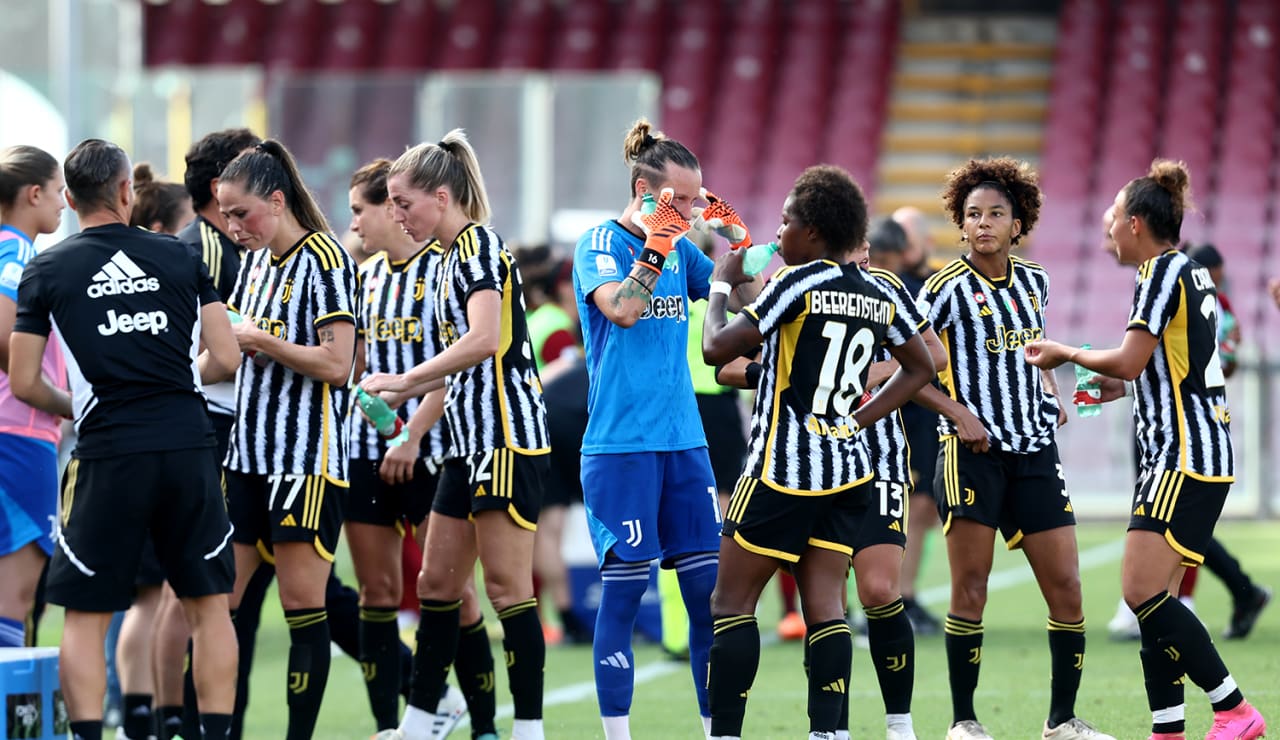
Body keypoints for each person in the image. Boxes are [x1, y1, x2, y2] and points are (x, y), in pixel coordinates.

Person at [1026, 159, 1268, 740]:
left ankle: (1234, 709)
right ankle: (1167, 730)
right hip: (1198, 451)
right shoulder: (1188, 273)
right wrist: (1109, 386)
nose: (1106, 225)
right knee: (1153, 597)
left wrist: (1067, 352)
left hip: (1182, 455)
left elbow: (1131, 358)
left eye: (1113, 214)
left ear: (1135, 223)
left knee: (1140, 593)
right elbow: (1160, 368)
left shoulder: (1161, 272)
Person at [9, 137, 241, 740]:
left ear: (73, 197)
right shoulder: (178, 255)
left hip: (108, 451)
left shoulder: (47, 268)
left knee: (85, 616)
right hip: (187, 446)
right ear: (123, 192)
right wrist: (173, 381)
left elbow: (27, 379)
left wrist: (78, 408)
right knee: (208, 605)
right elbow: (227, 356)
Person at [701, 165, 935, 740]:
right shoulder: (881, 290)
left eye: (786, 221)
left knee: (730, 604)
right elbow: (923, 366)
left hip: (780, 469)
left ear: (813, 233)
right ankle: (829, 732)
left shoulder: (795, 283)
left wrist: (719, 285)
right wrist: (861, 417)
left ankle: (724, 733)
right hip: (848, 468)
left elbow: (714, 349)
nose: (778, 232)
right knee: (826, 606)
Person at [571, 118, 758, 739]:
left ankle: (717, 733)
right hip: (621, 446)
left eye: (695, 199)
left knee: (710, 599)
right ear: (642, 189)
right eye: (677, 199)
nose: (687, 211)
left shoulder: (683, 250)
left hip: (686, 444)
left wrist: (740, 241)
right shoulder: (598, 242)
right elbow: (622, 310)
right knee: (624, 593)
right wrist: (658, 243)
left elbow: (745, 298)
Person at [913, 158, 1112, 740]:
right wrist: (956, 412)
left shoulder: (1036, 282)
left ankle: (1062, 720)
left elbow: (1032, 355)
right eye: (972, 214)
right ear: (960, 222)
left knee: (1068, 587)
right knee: (970, 588)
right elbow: (909, 371)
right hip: (970, 456)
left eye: (995, 214)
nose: (982, 224)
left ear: (1017, 222)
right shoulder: (942, 289)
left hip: (1035, 452)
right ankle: (964, 722)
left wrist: (1051, 392)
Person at [361, 129, 548, 740]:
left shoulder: (477, 249)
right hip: (466, 443)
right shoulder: (446, 259)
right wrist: (411, 400)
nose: (397, 215)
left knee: (504, 587)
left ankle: (528, 726)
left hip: (505, 437)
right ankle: (420, 721)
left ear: (441, 197)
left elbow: (485, 340)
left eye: (403, 202)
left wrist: (407, 378)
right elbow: (460, 357)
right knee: (436, 582)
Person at [218, 139, 360, 740]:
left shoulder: (326, 258)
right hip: (246, 454)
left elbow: (337, 365)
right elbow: (229, 352)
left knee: (304, 606)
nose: (232, 226)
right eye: (224, 215)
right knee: (218, 603)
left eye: (240, 213)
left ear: (276, 201)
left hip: (304, 457)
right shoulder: (252, 263)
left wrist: (260, 339)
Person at [345, 157, 486, 737]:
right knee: (376, 592)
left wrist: (411, 434)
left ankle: (484, 723)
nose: (354, 224)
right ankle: (390, 724)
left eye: (362, 210)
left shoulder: (444, 267)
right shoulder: (365, 276)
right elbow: (360, 364)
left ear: (392, 207)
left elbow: (459, 366)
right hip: (364, 450)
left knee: (455, 592)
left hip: (429, 450)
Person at [110, 162, 198, 740]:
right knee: (174, 596)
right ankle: (159, 714)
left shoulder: (106, 280)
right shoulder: (171, 275)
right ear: (165, 226)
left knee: (142, 598)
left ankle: (135, 715)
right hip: (167, 444)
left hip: (114, 450)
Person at [0, 144, 66, 649]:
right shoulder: (16, 252)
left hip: (16, 433)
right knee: (13, 599)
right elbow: (5, 337)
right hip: (17, 435)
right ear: (34, 192)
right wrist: (66, 401)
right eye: (58, 189)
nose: (65, 201)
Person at [890, 207, 945, 636]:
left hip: (927, 406)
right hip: (897, 407)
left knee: (924, 505)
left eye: (907, 236)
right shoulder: (892, 285)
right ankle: (889, 597)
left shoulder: (930, 283)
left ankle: (904, 594)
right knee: (901, 504)